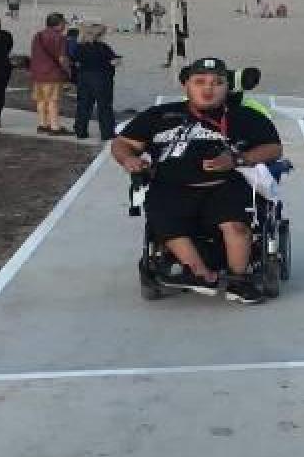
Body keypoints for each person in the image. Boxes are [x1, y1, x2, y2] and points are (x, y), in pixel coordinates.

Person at [112, 59, 283, 304]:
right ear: (186, 85)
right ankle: (200, 274)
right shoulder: (159, 115)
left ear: (228, 88)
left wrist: (237, 158)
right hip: (170, 188)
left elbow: (273, 149)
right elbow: (123, 143)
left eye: (218, 83)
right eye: (199, 82)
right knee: (167, 223)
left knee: (236, 226)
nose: (208, 88)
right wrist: (129, 159)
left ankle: (239, 280)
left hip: (225, 185)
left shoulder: (246, 117)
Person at [73, 23, 120, 140]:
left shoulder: (79, 47)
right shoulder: (103, 47)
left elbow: (76, 62)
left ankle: (80, 130)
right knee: (104, 106)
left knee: (83, 105)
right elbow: (114, 61)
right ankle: (107, 133)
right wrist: (115, 62)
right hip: (102, 78)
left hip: (84, 78)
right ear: (100, 35)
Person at [30, 13, 72, 135]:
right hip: (52, 73)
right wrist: (68, 71)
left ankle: (43, 124)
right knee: (53, 101)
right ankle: (55, 127)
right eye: (64, 23)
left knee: (41, 100)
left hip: (37, 73)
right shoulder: (60, 38)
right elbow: (62, 58)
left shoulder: (38, 35)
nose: (65, 25)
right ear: (58, 24)